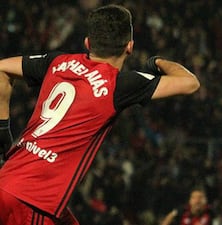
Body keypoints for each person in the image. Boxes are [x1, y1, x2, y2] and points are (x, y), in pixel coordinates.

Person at [0, 4, 200, 225]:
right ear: (130, 47)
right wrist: (157, 62)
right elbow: (190, 83)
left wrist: (3, 131)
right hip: (33, 200)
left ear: (87, 42)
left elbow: (1, 69)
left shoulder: (57, 62)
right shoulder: (119, 84)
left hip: (8, 181)